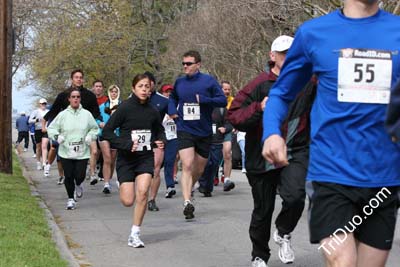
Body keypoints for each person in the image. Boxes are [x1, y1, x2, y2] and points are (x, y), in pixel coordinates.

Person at [262, 2, 400, 267]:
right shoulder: (314, 33)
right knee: (343, 261)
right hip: (330, 174)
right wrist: (271, 133)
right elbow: (281, 93)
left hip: (383, 176)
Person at [228, 35, 316, 267]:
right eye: (284, 53)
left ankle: (284, 231)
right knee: (263, 210)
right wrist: (259, 107)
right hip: (263, 155)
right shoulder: (259, 85)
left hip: (295, 151)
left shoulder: (309, 81)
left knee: (296, 197)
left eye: (293, 53)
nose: (289, 58)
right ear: (272, 56)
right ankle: (259, 255)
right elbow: (234, 116)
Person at [103, 74, 165, 248]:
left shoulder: (153, 110)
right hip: (127, 159)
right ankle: (121, 183)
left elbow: (160, 131)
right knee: (128, 201)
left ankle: (135, 233)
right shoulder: (124, 108)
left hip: (145, 157)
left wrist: (161, 140)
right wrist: (126, 144)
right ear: (133, 89)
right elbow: (107, 132)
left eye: (147, 86)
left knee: (143, 192)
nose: (144, 89)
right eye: (141, 86)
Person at [168, 50, 227, 219]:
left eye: (188, 63)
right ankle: (187, 201)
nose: (185, 66)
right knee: (187, 164)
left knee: (199, 167)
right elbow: (172, 98)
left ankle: (190, 187)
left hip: (204, 130)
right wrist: (172, 111)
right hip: (184, 128)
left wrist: (205, 100)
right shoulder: (179, 82)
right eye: (183, 64)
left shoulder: (208, 81)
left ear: (198, 64)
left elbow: (222, 100)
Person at [43, 69, 101, 185]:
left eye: (80, 77)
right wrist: (44, 125)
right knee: (57, 150)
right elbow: (53, 111)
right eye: (76, 77)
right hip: (68, 131)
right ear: (72, 79)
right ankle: (59, 172)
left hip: (86, 130)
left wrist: (96, 121)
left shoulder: (89, 95)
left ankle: (92, 173)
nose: (79, 79)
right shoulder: (63, 95)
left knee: (94, 151)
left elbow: (96, 112)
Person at [48, 88, 99, 210]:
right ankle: (70, 199)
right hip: (66, 151)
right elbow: (51, 128)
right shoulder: (63, 115)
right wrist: (57, 137)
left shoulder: (86, 114)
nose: (76, 99)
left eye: (78, 97)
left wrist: (90, 136)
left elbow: (95, 128)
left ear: (80, 99)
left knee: (80, 175)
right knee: (69, 175)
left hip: (82, 151)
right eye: (73, 97)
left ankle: (78, 184)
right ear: (69, 99)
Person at [198, 106, 233, 197]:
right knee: (205, 163)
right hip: (203, 140)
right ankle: (203, 185)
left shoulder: (221, 109)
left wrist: (225, 128)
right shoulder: (201, 107)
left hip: (217, 141)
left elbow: (229, 123)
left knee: (214, 164)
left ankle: (208, 188)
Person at [98, 84, 121, 194]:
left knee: (112, 160)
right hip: (104, 134)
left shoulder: (122, 106)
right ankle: (106, 184)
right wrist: (100, 123)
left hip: (116, 135)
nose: (113, 94)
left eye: (115, 92)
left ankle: (109, 179)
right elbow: (96, 118)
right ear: (109, 93)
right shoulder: (103, 106)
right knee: (107, 158)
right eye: (112, 92)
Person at [161, 84, 179, 198]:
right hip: (161, 137)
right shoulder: (159, 106)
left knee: (169, 161)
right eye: (166, 92)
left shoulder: (177, 106)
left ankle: (170, 186)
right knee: (157, 165)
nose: (168, 94)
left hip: (173, 137)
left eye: (170, 92)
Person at [220, 81, 235, 192]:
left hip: (228, 129)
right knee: (212, 157)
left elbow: (236, 115)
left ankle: (227, 179)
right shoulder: (214, 100)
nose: (227, 91)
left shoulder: (233, 101)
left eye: (229, 89)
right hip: (214, 130)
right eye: (225, 89)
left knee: (227, 153)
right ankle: (212, 176)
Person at [92, 79, 108, 181]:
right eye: (96, 86)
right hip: (92, 128)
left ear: (102, 88)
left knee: (103, 150)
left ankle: (102, 172)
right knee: (95, 151)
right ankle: (92, 170)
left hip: (103, 127)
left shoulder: (106, 100)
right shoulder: (90, 99)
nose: (98, 88)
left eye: (100, 86)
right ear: (93, 88)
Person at [29, 98, 49, 170]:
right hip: (38, 130)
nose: (43, 105)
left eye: (45, 103)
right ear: (39, 104)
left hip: (45, 130)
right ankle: (38, 162)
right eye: (42, 103)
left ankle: (44, 163)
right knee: (38, 147)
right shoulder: (35, 112)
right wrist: (36, 120)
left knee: (44, 146)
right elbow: (30, 120)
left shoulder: (48, 111)